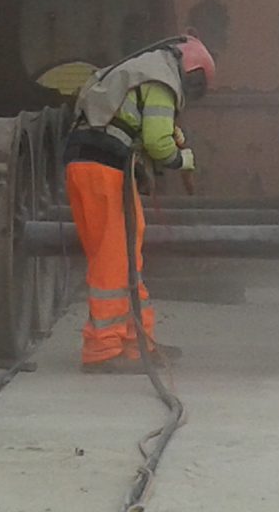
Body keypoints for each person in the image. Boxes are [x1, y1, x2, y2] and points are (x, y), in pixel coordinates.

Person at [63, 36, 216, 374]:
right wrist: (183, 159)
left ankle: (137, 344)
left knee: (126, 254)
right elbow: (158, 142)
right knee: (114, 257)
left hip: (91, 167)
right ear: (190, 71)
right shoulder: (161, 82)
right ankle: (102, 349)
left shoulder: (140, 71)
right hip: (103, 170)